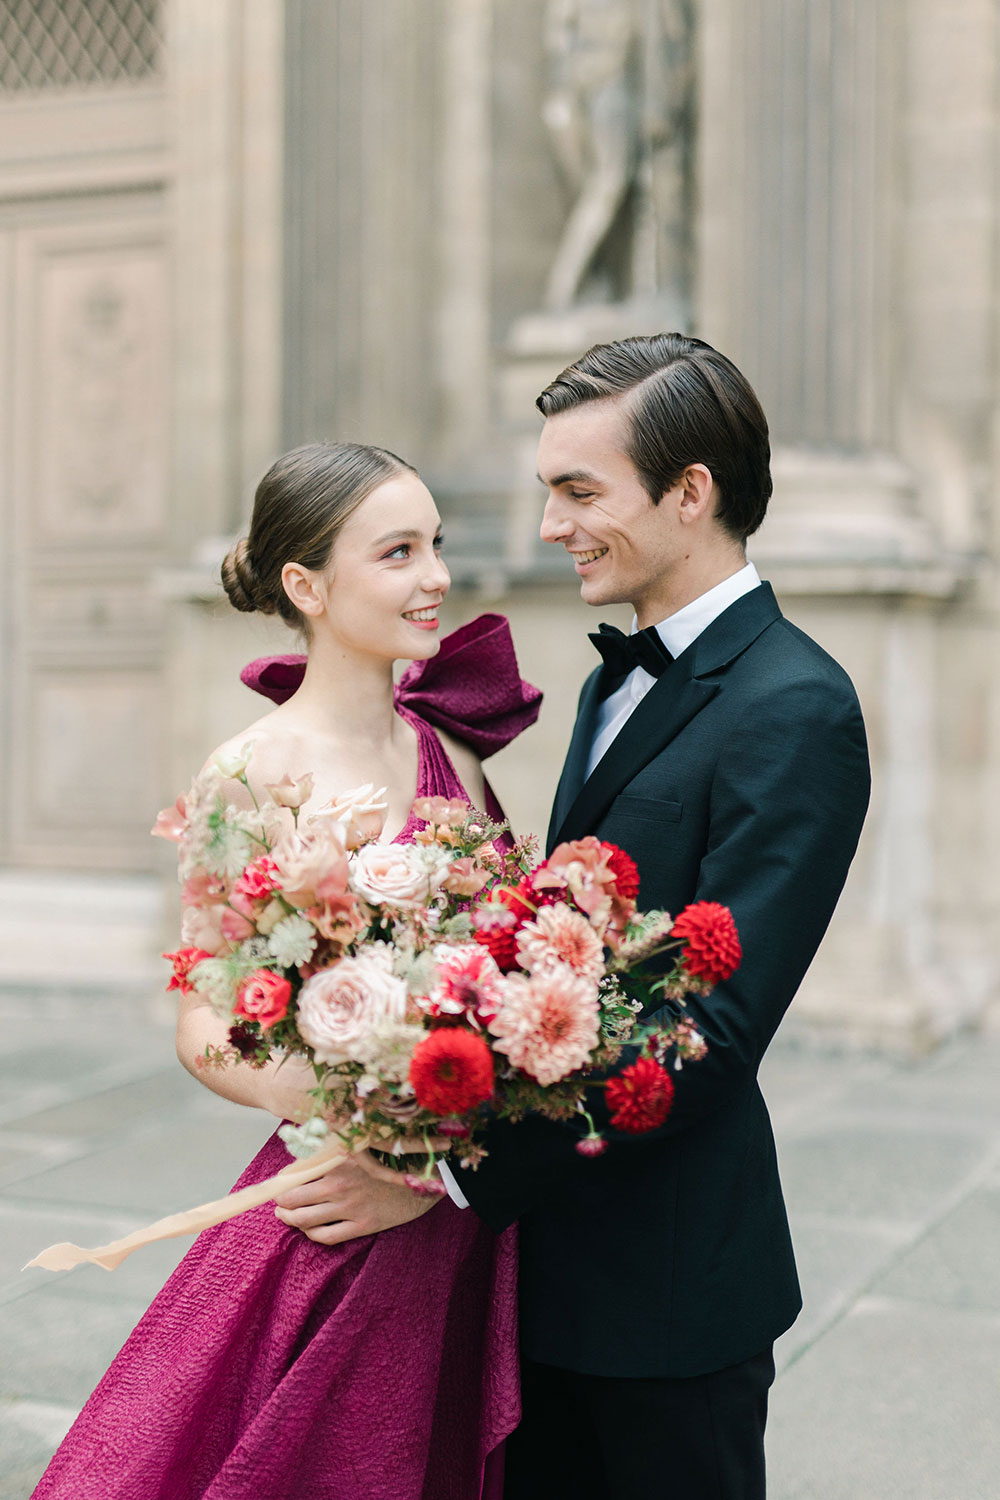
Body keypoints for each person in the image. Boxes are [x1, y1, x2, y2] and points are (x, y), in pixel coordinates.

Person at [277, 335, 872, 1499]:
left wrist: (440, 1178)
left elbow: (707, 1027)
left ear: (689, 493)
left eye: (578, 491)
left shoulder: (797, 706)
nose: (550, 524)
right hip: (541, 1271)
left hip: (667, 1295)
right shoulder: (613, 676)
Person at [31, 442, 539, 1500]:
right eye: (397, 552)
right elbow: (205, 1024)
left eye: (435, 545)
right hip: (344, 1191)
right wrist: (372, 1110)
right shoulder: (246, 773)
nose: (436, 575)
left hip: (470, 1197)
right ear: (306, 586)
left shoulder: (457, 751)